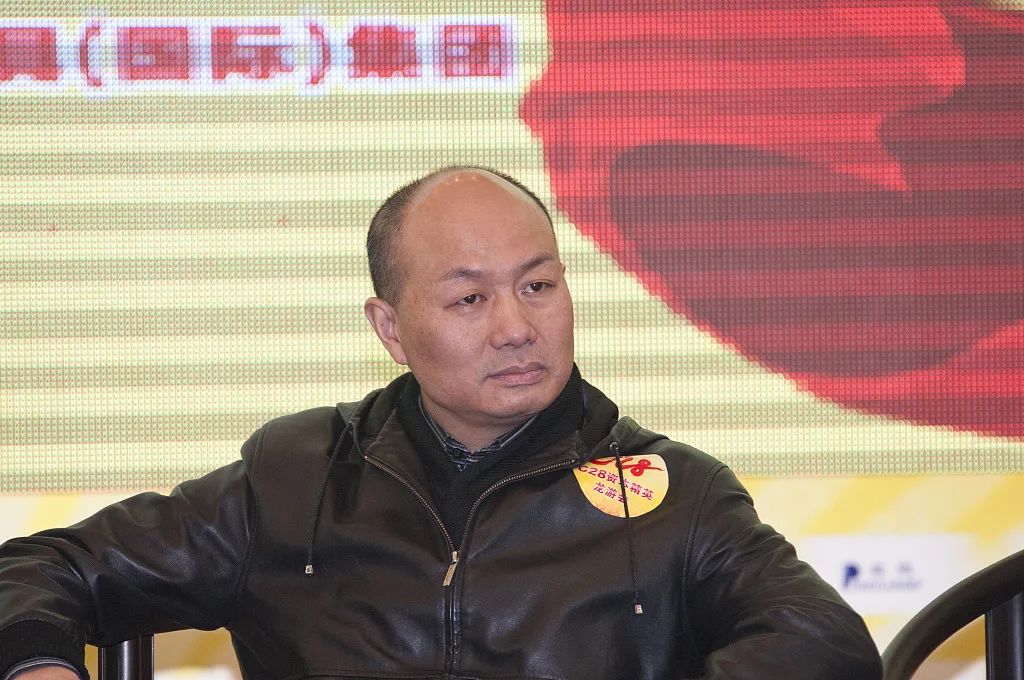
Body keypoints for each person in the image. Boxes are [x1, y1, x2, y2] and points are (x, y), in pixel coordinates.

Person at [0, 167, 882, 679]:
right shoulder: (296, 477)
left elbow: (826, 645)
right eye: (470, 298)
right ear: (390, 328)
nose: (517, 326)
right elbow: (42, 568)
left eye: (539, 285)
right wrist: (41, 663)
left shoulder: (672, 494)